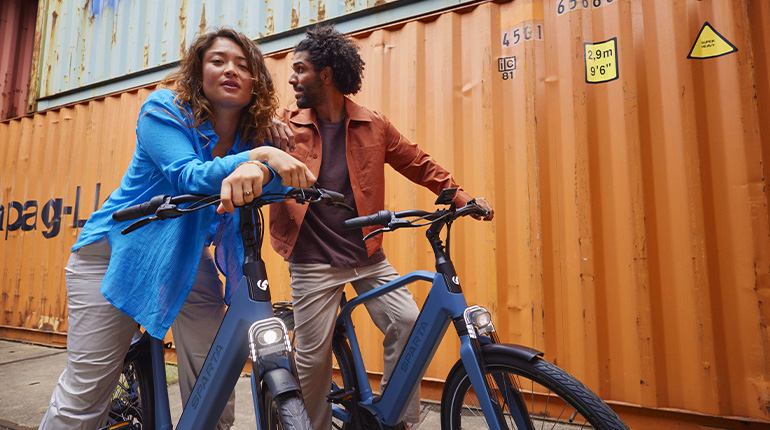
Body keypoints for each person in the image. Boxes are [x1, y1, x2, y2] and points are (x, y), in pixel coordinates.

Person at [39, 28, 315, 430]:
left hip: (185, 255)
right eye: (217, 61)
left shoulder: (253, 135)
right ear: (198, 73)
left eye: (243, 65)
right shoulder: (163, 109)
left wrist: (259, 160)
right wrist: (259, 156)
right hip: (115, 253)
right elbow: (188, 175)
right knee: (86, 396)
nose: (230, 70)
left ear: (256, 81)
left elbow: (274, 182)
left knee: (216, 374)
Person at [269, 25, 495, 430]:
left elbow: (417, 162)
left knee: (408, 323)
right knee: (312, 358)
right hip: (312, 261)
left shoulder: (373, 124)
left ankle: (394, 418)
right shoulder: (284, 125)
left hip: (367, 254)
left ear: (326, 74)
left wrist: (461, 198)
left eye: (300, 69)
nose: (291, 78)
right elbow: (250, 150)